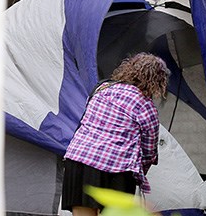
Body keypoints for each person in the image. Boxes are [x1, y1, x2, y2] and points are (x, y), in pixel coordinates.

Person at [61, 52, 169, 216]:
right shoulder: (146, 106)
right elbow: (149, 150)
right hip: (116, 170)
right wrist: (140, 172)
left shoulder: (102, 89)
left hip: (78, 161)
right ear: (157, 81)